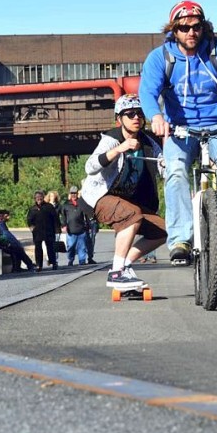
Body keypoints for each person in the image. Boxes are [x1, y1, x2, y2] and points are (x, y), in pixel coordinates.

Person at [138, 0, 217, 263]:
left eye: (196, 27)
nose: (190, 32)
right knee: (175, 171)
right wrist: (156, 116)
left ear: (204, 27)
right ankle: (181, 238)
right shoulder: (161, 58)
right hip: (180, 128)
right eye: (183, 28)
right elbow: (147, 92)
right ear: (173, 30)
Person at [79, 93, 167, 290]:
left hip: (128, 200)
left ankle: (125, 265)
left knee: (162, 230)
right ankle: (117, 272)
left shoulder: (148, 143)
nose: (136, 117)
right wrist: (119, 149)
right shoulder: (111, 138)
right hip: (99, 198)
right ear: (119, 119)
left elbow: (164, 167)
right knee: (131, 214)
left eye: (140, 114)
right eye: (130, 114)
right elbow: (90, 167)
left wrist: (171, 166)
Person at [26, 190, 59, 271]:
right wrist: (31, 227)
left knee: (50, 248)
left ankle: (53, 263)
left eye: (40, 197)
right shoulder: (32, 209)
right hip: (37, 232)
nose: (39, 199)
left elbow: (55, 218)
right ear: (35, 199)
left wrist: (57, 228)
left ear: (43, 197)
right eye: (37, 197)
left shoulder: (49, 207)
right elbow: (29, 219)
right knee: (38, 248)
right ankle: (39, 265)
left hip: (49, 230)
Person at [59, 185, 89, 267]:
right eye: (72, 193)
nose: (74, 195)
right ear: (70, 194)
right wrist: (64, 225)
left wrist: (88, 225)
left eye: (75, 193)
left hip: (81, 229)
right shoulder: (66, 204)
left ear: (77, 194)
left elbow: (86, 215)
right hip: (71, 230)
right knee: (71, 247)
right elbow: (63, 216)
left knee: (82, 247)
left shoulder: (82, 203)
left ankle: (82, 261)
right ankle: (70, 260)